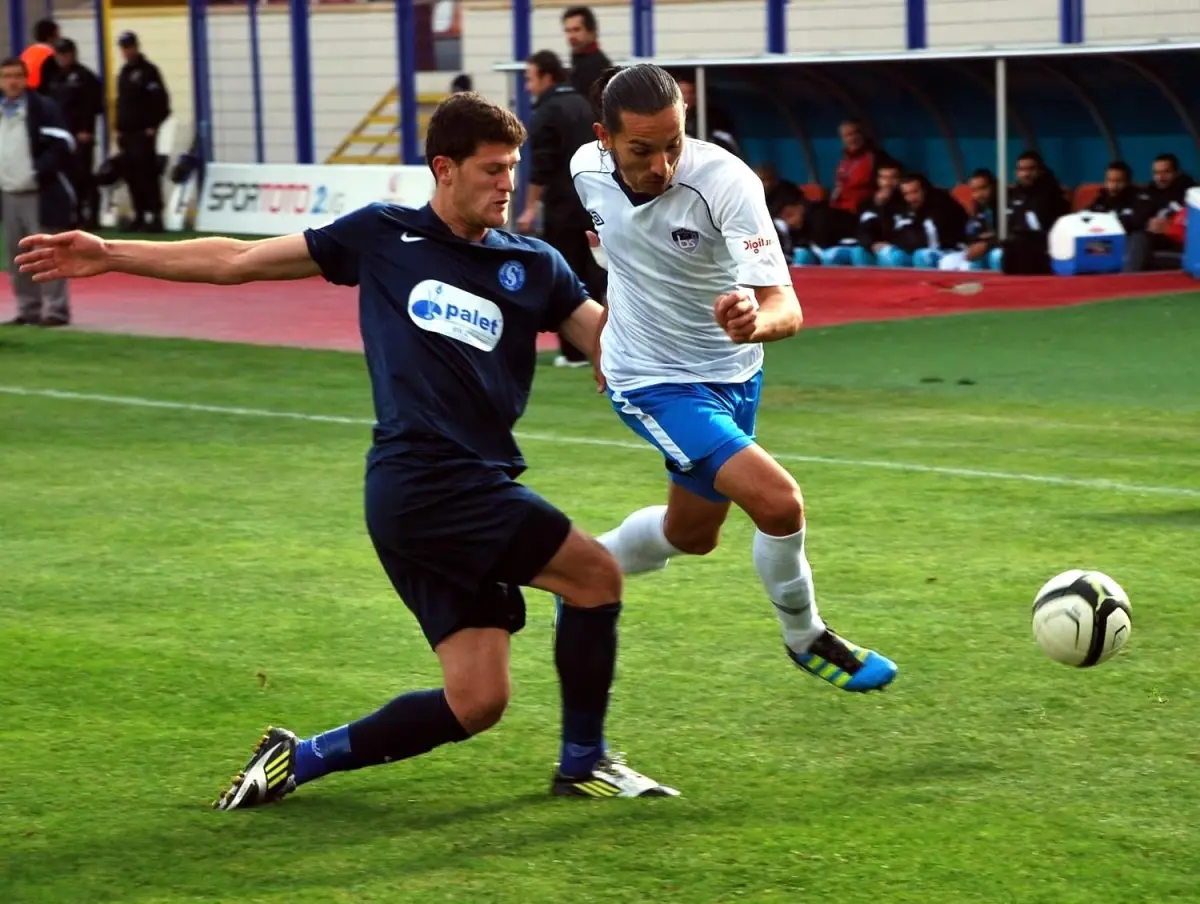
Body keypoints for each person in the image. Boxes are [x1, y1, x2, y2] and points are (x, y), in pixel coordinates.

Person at [17, 92, 677, 805]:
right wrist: (111, 252)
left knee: (477, 701)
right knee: (593, 577)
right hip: (427, 480)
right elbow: (238, 259)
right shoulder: (382, 236)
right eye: (491, 170)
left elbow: (612, 347)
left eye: (512, 168)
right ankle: (585, 763)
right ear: (443, 169)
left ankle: (297, 759)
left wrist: (694, 336)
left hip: (442, 493)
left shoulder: (535, 264)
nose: (507, 184)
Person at [570, 65, 897, 693]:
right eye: (643, 149)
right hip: (650, 381)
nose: (663, 164)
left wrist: (755, 320)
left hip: (734, 374)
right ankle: (807, 637)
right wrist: (604, 334)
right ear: (604, 138)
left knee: (691, 536)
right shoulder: (585, 169)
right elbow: (620, 253)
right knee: (779, 502)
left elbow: (787, 307)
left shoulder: (727, 183)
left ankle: (581, 567)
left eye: (673, 143)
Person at [519, 48, 606, 369]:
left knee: (564, 278)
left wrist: (529, 208)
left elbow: (543, 166)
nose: (528, 86)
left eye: (530, 79)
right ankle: (601, 344)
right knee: (594, 276)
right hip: (593, 204)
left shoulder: (547, 112)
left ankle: (572, 352)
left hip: (563, 210)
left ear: (547, 76)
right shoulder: (584, 105)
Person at [0, 56, 74, 327]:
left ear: (26, 78)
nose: (12, 81)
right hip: (8, 192)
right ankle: (28, 309)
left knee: (47, 253)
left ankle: (56, 310)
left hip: (39, 192)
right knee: (18, 257)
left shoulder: (42, 107)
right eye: (6, 76)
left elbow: (64, 142)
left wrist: (38, 171)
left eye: (17, 75)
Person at [44, 38, 103, 229]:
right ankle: (72, 214)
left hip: (79, 134)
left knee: (83, 175)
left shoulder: (84, 76)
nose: (63, 58)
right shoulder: (56, 77)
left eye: (66, 54)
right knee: (66, 176)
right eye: (60, 54)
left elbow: (91, 105)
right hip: (61, 136)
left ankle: (91, 215)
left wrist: (86, 129)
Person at [115, 31, 170, 232]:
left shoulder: (149, 71)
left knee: (147, 175)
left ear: (136, 46)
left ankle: (155, 215)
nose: (127, 51)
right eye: (123, 48)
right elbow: (121, 104)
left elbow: (161, 102)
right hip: (127, 134)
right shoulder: (124, 73)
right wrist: (118, 129)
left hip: (143, 134)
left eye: (129, 46)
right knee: (131, 176)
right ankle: (138, 214)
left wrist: (152, 126)